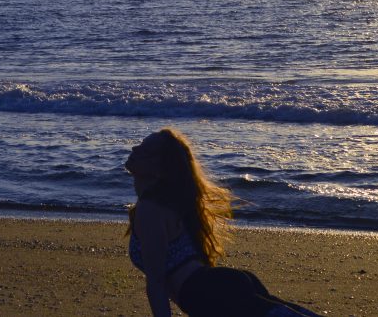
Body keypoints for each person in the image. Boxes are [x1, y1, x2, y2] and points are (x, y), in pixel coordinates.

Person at [125, 127, 319, 317]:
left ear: (160, 170)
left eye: (145, 150)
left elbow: (156, 283)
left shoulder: (150, 209)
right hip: (217, 287)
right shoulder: (168, 204)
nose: (135, 149)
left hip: (211, 293)